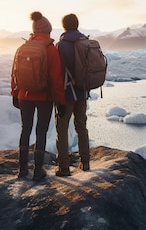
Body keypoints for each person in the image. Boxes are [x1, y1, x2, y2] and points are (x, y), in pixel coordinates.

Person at [11, 11, 65, 181]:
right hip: (44, 98)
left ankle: (21, 169)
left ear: (33, 30)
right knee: (41, 131)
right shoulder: (50, 49)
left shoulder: (23, 47)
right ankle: (38, 170)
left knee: (25, 129)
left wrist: (15, 93)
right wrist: (61, 101)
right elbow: (57, 78)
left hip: (24, 95)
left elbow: (14, 73)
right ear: (48, 31)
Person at [55, 13, 90, 176]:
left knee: (62, 128)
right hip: (82, 92)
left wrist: (58, 96)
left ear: (64, 26)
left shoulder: (62, 45)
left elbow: (59, 73)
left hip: (67, 93)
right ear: (77, 24)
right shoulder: (85, 42)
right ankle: (85, 163)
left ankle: (63, 167)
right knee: (82, 127)